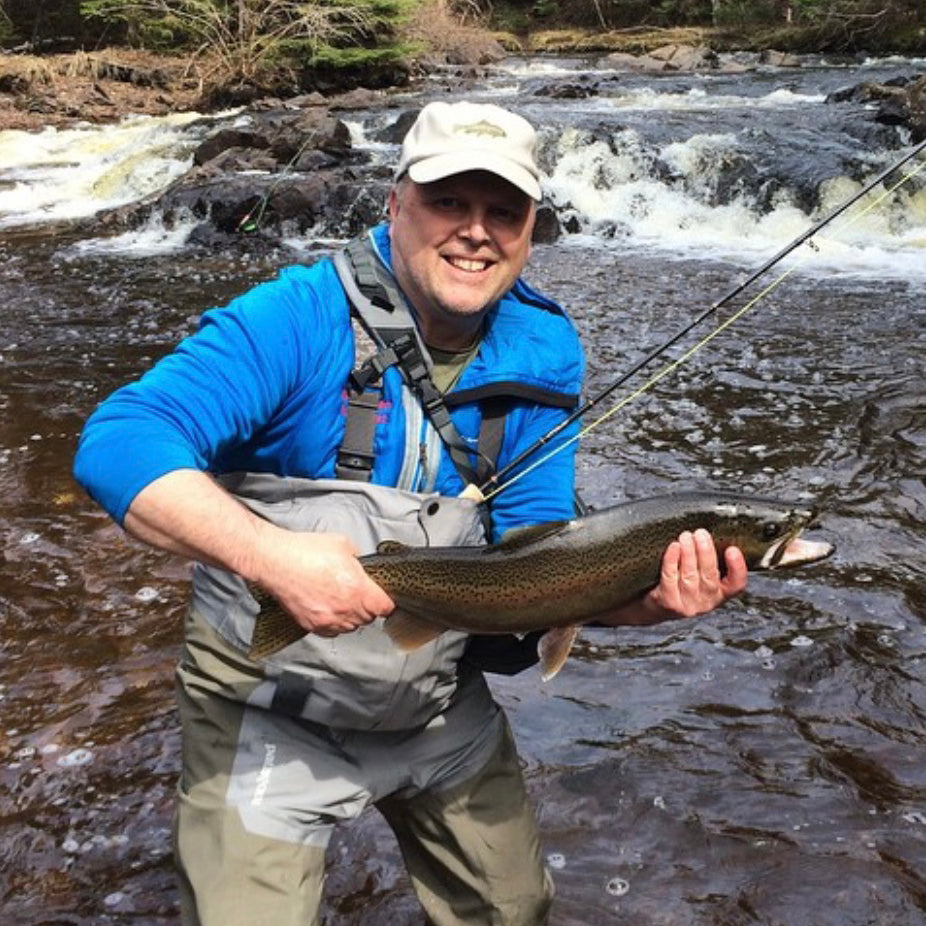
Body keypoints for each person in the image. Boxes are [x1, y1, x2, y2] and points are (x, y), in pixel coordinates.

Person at [73, 100, 748, 926]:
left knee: (516, 911)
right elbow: (119, 441)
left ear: (532, 227)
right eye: (448, 203)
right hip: (268, 708)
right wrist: (274, 559)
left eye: (504, 211)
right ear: (395, 203)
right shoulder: (297, 317)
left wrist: (636, 601)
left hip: (436, 699)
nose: (477, 232)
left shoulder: (544, 348)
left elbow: (535, 555)